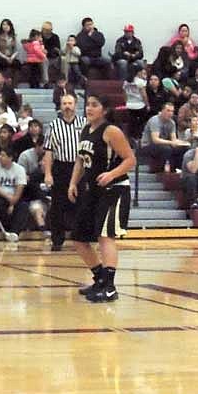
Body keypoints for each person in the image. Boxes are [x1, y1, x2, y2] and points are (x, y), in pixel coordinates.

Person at [68, 94, 136, 303]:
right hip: (93, 190)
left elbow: (130, 159)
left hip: (114, 189)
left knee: (105, 236)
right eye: (87, 104)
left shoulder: (111, 131)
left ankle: (110, 287)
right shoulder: (85, 130)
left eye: (94, 105)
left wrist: (112, 174)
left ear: (104, 110)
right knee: (79, 238)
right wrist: (72, 183)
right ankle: (100, 278)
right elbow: (80, 160)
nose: (89, 108)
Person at [43, 93, 87, 251]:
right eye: (64, 103)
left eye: (70, 103)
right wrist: (48, 173)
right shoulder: (54, 125)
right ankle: (57, 240)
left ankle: (81, 238)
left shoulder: (84, 123)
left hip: (80, 168)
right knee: (57, 205)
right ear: (60, 106)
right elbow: (49, 151)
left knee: (81, 205)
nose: (67, 106)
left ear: (75, 105)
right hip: (61, 167)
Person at [0, 147, 30, 239]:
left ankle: (15, 232)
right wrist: (7, 197)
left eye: (3, 155)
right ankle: (5, 229)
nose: (0, 157)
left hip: (15, 197)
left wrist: (13, 202)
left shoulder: (19, 169)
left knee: (24, 206)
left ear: (10, 158)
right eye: (0, 155)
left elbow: (20, 187)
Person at [141, 102, 190, 173]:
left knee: (183, 148)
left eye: (172, 111)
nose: (170, 113)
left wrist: (183, 143)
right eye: (168, 110)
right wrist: (171, 142)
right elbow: (155, 140)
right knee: (166, 149)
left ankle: (176, 169)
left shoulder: (172, 123)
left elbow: (174, 139)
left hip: (164, 144)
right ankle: (159, 170)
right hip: (148, 145)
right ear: (162, 111)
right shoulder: (155, 120)